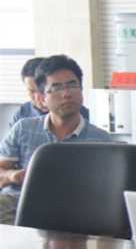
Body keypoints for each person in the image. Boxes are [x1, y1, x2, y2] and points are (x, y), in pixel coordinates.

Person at [0, 55, 111, 224]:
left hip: (74, 208)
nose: (66, 94)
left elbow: (106, 191)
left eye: (72, 85)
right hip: (18, 204)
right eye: (56, 88)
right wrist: (13, 176)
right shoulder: (23, 128)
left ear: (81, 91)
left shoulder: (101, 140)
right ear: (42, 98)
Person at [10, 57, 90, 128]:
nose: (38, 97)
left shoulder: (82, 114)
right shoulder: (21, 116)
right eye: (32, 91)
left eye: (40, 90)